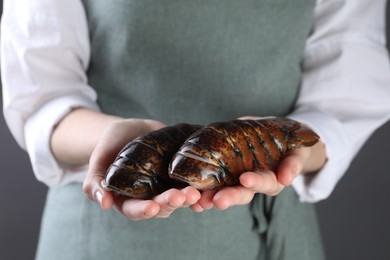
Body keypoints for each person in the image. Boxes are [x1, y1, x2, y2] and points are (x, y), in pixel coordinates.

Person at [2, 0, 390, 259]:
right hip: (105, 234)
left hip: (274, 238)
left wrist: (295, 152)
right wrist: (112, 137)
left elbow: (341, 101)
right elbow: (44, 99)